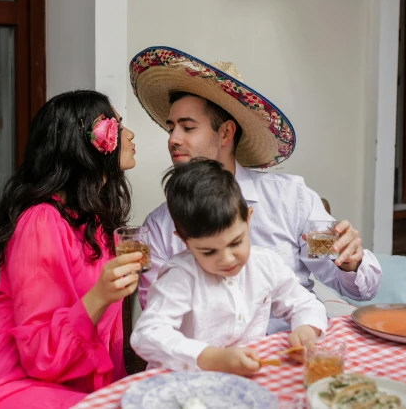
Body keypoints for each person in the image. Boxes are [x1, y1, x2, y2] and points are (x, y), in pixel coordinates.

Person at [129, 46, 382, 332]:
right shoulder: (160, 229)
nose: (172, 139)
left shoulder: (288, 201)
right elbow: (161, 324)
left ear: (225, 132)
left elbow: (362, 288)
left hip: (293, 351)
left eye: (187, 128)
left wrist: (350, 262)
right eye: (171, 128)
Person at [0, 90, 140, 409]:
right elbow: (40, 357)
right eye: (118, 124)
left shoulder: (95, 224)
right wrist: (100, 294)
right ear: (88, 144)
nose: (129, 134)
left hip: (60, 385)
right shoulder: (41, 221)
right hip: (4, 385)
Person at [131, 159, 327, 375]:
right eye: (208, 251)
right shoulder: (180, 276)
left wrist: (306, 328)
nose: (227, 259)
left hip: (245, 379)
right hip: (187, 382)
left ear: (248, 218)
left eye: (235, 243)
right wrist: (211, 358)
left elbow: (304, 303)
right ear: (184, 241)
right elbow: (146, 335)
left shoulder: (265, 264)